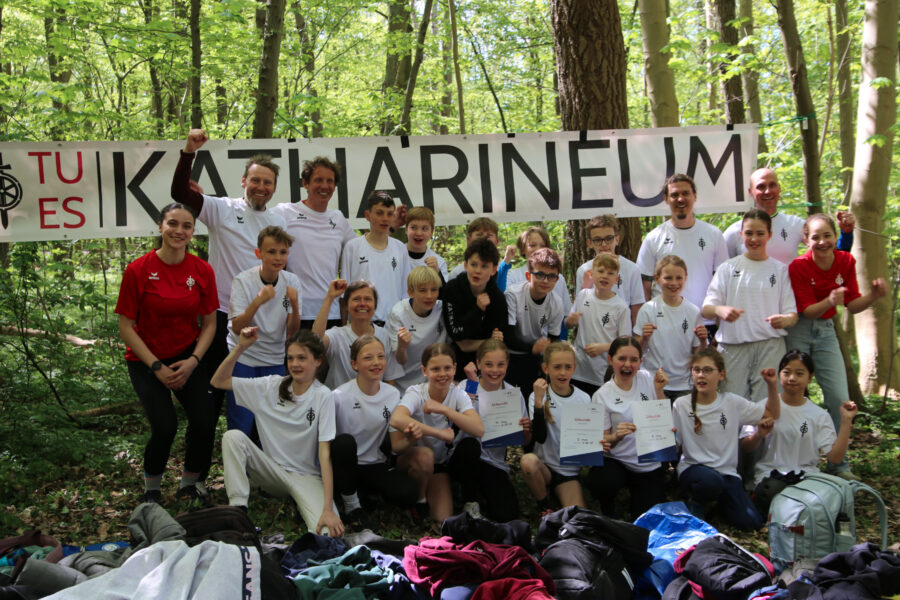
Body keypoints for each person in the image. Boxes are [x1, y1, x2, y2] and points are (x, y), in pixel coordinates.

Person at [171, 129, 286, 435]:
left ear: (274, 188)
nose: (261, 187)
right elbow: (180, 193)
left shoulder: (279, 221)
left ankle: (261, 470)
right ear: (244, 182)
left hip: (265, 321)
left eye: (267, 182)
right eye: (256, 180)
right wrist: (189, 152)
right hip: (222, 316)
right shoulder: (222, 209)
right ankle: (199, 476)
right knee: (213, 398)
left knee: (261, 401)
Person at [115, 202, 217, 504]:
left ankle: (189, 484)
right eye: (173, 223)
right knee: (165, 426)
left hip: (188, 356)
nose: (179, 231)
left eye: (186, 226)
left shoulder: (202, 270)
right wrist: (157, 367)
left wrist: (193, 361)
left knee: (204, 420)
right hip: (146, 360)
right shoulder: (138, 270)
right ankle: (152, 490)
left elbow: (209, 323)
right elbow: (126, 327)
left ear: (192, 232)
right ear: (161, 226)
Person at [211, 327, 343, 536]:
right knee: (232, 437)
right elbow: (218, 381)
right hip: (270, 472)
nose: (295, 364)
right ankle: (238, 510)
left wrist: (328, 508)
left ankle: (312, 507)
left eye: (302, 358)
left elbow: (324, 453)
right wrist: (240, 348)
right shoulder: (270, 386)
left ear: (318, 361)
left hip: (305, 476)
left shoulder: (323, 395)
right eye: (290, 358)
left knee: (328, 534)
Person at [785, 213, 887, 479]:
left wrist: (874, 295)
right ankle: (791, 460)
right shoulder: (799, 266)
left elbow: (852, 306)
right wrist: (831, 300)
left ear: (835, 236)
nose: (822, 242)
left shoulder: (845, 260)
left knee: (839, 398)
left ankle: (838, 464)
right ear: (806, 240)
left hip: (827, 331)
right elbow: (807, 311)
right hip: (799, 330)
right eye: (815, 237)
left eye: (827, 235)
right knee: (792, 394)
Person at [672, 348, 780, 529]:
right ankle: (697, 503)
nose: (701, 375)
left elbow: (772, 414)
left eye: (707, 370)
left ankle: (720, 504)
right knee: (710, 481)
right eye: (696, 370)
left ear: (721, 375)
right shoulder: (681, 404)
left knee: (751, 523)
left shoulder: (732, 402)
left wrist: (771, 385)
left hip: (727, 473)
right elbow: (675, 444)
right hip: (694, 470)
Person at [702, 209, 797, 402]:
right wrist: (721, 310)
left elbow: (792, 314)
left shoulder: (780, 270)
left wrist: (784, 320)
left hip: (770, 345)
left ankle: (763, 434)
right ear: (741, 235)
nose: (754, 239)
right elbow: (707, 308)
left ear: (769, 235)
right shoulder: (727, 268)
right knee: (732, 402)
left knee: (767, 403)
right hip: (733, 345)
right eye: (749, 233)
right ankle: (736, 434)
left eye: (760, 233)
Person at [330, 335, 417, 530]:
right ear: (354, 364)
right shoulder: (339, 396)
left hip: (373, 463)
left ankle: (364, 493)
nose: (376, 363)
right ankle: (352, 506)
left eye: (380, 356)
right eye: (368, 358)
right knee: (344, 443)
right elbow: (327, 443)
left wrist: (410, 439)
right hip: (345, 464)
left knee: (409, 492)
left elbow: (395, 445)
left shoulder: (392, 394)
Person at [390, 344, 485, 523]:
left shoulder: (458, 394)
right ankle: (419, 500)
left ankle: (447, 493)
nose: (442, 374)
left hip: (439, 463)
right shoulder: (416, 392)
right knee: (425, 456)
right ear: (424, 371)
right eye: (435, 369)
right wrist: (439, 433)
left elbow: (478, 429)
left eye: (447, 368)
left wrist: (444, 410)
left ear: (455, 368)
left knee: (443, 517)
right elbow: (396, 419)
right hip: (416, 458)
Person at [741, 350, 859, 491]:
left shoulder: (819, 415)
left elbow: (835, 458)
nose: (792, 378)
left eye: (799, 373)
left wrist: (846, 420)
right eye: (787, 372)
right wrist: (759, 434)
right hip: (771, 477)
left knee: (839, 492)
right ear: (779, 375)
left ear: (810, 377)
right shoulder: (763, 407)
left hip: (807, 478)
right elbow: (745, 447)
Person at [225, 226, 301, 437]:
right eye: (271, 252)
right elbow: (238, 327)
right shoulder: (243, 280)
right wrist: (257, 301)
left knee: (270, 423)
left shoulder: (292, 282)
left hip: (274, 358)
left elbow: (291, 333)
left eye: (283, 252)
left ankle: (265, 469)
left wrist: (295, 306)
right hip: (244, 358)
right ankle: (241, 469)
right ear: (259, 253)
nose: (278, 257)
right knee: (242, 421)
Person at [586, 337, 669, 520]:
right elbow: (603, 440)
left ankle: (639, 494)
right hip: (618, 460)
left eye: (634, 360)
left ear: (640, 362)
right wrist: (616, 436)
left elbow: (663, 421)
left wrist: (660, 391)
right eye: (622, 358)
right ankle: (607, 505)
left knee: (647, 519)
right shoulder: (602, 395)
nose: (627, 365)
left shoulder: (648, 380)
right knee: (602, 481)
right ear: (610, 360)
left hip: (648, 463)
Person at [636, 173, 728, 333]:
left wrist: (721, 327)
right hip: (663, 323)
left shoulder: (713, 234)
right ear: (666, 198)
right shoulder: (653, 238)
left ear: (695, 196)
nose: (680, 199)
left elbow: (723, 284)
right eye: (674, 195)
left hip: (705, 324)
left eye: (685, 193)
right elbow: (643, 287)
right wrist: (642, 325)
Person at [451, 340, 530, 522]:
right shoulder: (467, 385)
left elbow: (523, 441)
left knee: (506, 514)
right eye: (488, 364)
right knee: (470, 446)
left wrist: (525, 430)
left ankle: (480, 491)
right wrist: (472, 382)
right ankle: (469, 498)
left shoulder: (513, 395)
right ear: (478, 363)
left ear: (508, 365)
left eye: (500, 364)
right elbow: (459, 418)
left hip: (493, 462)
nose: (495, 370)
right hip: (464, 455)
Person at [273, 156, 355, 330]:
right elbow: (255, 231)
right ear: (305, 183)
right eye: (318, 180)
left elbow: (362, 248)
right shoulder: (284, 212)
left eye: (330, 181)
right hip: (294, 311)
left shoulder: (338, 218)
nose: (325, 186)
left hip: (330, 312)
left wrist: (390, 228)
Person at [723, 167, 856, 264]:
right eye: (761, 187)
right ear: (750, 192)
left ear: (779, 188)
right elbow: (720, 272)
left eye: (772, 185)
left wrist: (846, 234)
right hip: (750, 300)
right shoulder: (735, 231)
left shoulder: (795, 224)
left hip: (788, 299)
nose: (767, 191)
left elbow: (832, 255)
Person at [520, 342, 593, 513]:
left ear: (574, 368)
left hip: (568, 471)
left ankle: (562, 493)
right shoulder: (537, 396)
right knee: (528, 462)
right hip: (544, 467)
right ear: (546, 368)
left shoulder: (584, 399)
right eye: (557, 367)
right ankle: (544, 504)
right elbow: (539, 437)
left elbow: (586, 439)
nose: (562, 372)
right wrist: (539, 404)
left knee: (578, 517)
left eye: (568, 367)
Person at [634, 255, 707, 404]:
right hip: (654, 382)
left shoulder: (693, 312)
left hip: (684, 384)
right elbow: (636, 352)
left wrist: (703, 340)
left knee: (684, 426)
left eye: (678, 278)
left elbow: (698, 354)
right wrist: (644, 338)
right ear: (657, 278)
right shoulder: (648, 310)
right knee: (657, 426)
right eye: (668, 278)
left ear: (686, 278)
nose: (674, 283)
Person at [441, 238, 509, 379]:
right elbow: (459, 338)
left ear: (493, 270)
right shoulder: (452, 289)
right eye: (473, 264)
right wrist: (478, 309)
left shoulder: (498, 298)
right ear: (465, 265)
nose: (477, 271)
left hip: (488, 365)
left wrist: (488, 342)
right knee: (465, 397)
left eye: (484, 266)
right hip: (455, 363)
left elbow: (496, 342)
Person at [313, 279, 401, 390]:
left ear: (375, 305)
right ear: (346, 305)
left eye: (368, 299)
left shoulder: (384, 336)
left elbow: (390, 378)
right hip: (339, 404)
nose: (362, 304)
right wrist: (329, 297)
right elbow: (314, 342)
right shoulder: (337, 335)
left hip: (373, 403)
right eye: (356, 299)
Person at [340, 191, 410, 326]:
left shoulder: (400, 248)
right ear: (367, 215)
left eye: (389, 214)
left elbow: (405, 294)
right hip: (361, 323)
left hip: (393, 324)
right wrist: (344, 328)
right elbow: (344, 295)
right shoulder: (352, 247)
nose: (385, 218)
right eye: (379, 213)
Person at [504, 247, 564, 402]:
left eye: (551, 276)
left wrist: (545, 349)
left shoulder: (556, 302)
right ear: (528, 275)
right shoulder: (513, 295)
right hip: (510, 354)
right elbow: (508, 336)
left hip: (535, 356)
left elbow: (554, 339)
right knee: (508, 400)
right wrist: (532, 347)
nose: (545, 280)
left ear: (557, 279)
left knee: (532, 398)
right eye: (540, 274)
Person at [567, 254, 631, 397]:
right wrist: (570, 321)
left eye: (610, 273)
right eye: (601, 271)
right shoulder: (583, 295)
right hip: (579, 370)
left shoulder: (621, 307)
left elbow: (625, 342)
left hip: (603, 373)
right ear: (591, 274)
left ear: (617, 279)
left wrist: (604, 347)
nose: (605, 276)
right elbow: (569, 325)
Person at [386, 266, 448, 394]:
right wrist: (402, 346)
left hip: (434, 384)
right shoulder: (399, 313)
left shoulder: (442, 308)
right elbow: (399, 360)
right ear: (411, 292)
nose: (429, 296)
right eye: (423, 290)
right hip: (404, 387)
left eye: (434, 290)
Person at [575, 215, 645, 324]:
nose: (604, 244)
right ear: (590, 243)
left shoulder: (631, 269)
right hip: (592, 330)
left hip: (621, 331)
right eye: (597, 240)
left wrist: (636, 338)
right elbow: (579, 308)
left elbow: (637, 306)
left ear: (617, 239)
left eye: (608, 238)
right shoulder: (584, 270)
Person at [505, 226, 573, 321]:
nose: (538, 249)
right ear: (523, 249)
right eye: (532, 245)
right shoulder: (512, 275)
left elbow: (565, 315)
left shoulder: (558, 278)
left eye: (542, 245)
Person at [447, 217, 515, 289]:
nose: (484, 238)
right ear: (468, 240)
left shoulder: (507, 273)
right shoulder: (456, 274)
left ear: (497, 241)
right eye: (479, 235)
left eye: (489, 235)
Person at [403, 206, 449, 282]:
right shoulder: (395, 255)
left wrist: (437, 273)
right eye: (413, 227)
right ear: (406, 229)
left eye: (424, 228)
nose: (419, 233)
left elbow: (444, 292)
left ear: (431, 232)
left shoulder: (439, 262)